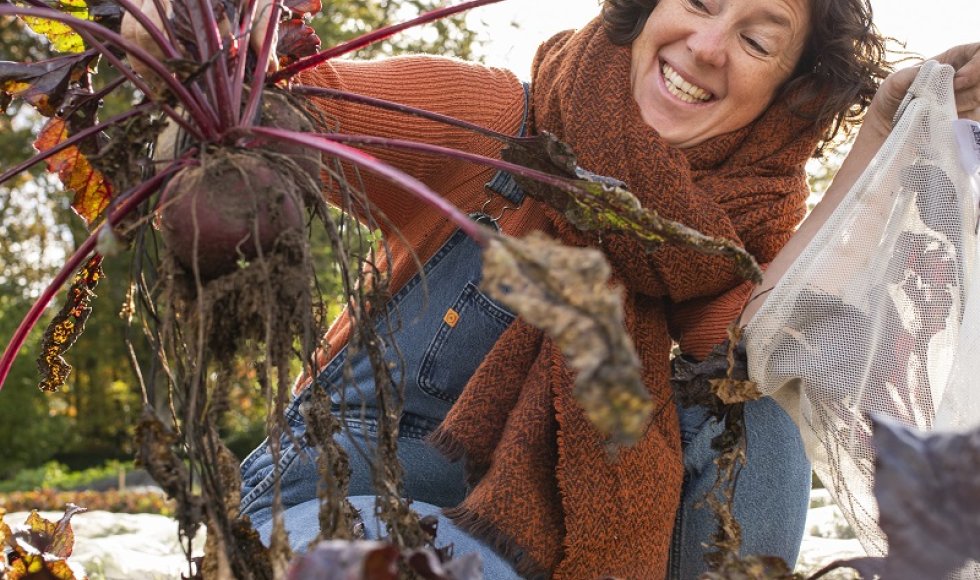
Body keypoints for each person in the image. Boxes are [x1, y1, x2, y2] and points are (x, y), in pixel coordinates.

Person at [122, 0, 980, 577]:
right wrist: (190, 71)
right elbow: (293, 115)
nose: (709, 47)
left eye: (759, 40)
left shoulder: (728, 238)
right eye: (700, 0)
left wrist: (881, 136)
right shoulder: (492, 125)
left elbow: (776, 345)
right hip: (346, 490)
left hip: (550, 542)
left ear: (784, 95)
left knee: (753, 409)